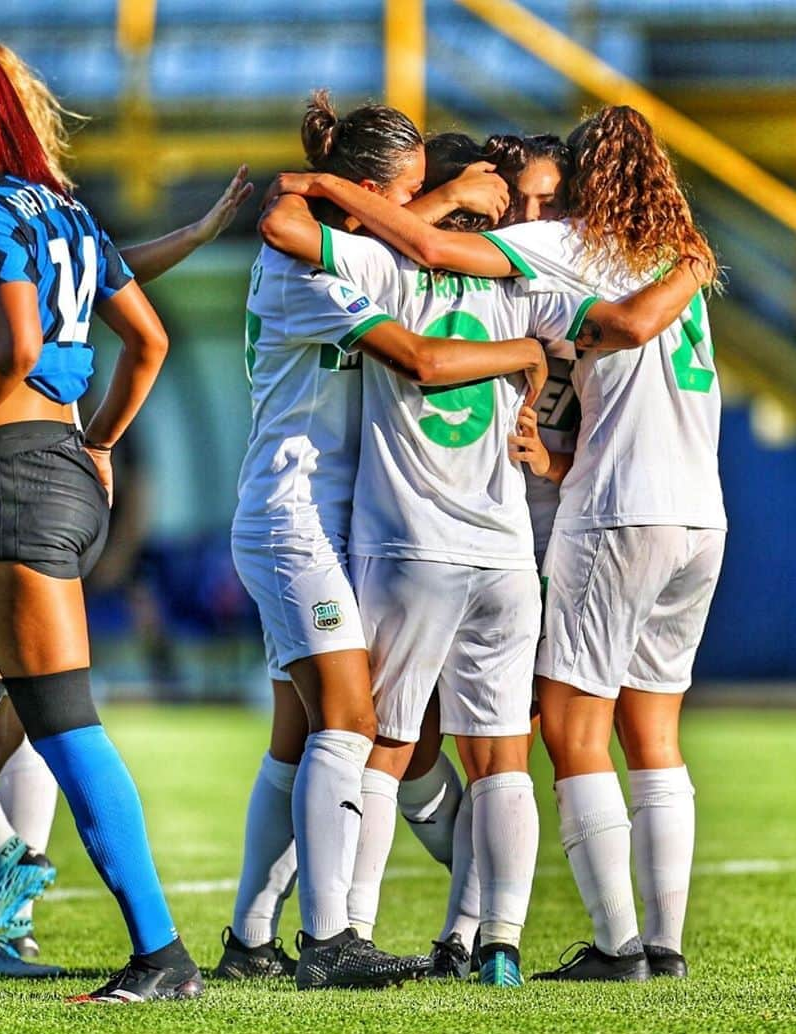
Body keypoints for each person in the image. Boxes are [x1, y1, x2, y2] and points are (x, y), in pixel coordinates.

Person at [266, 103, 722, 982]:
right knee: (551, 740)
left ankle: (374, 932)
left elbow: (418, 259)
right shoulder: (664, 259)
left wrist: (339, 188)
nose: (537, 213)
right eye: (526, 199)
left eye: (555, 195)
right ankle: (509, 940)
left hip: (514, 527)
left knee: (420, 739)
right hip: (619, 522)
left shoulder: (536, 256)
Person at [0, 43, 253, 972]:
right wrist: (96, 441)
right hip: (52, 470)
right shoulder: (65, 209)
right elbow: (148, 338)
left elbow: (13, 348)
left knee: (62, 724)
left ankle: (161, 955)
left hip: (11, 478)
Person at [231, 90, 551, 990]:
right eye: (403, 190)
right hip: (292, 516)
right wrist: (524, 352)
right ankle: (331, 942)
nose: (414, 205)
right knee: (354, 721)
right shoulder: (317, 273)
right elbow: (418, 357)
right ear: (365, 189)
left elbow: (384, 242)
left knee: (300, 733)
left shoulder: (364, 255)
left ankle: (252, 935)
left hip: (324, 521)